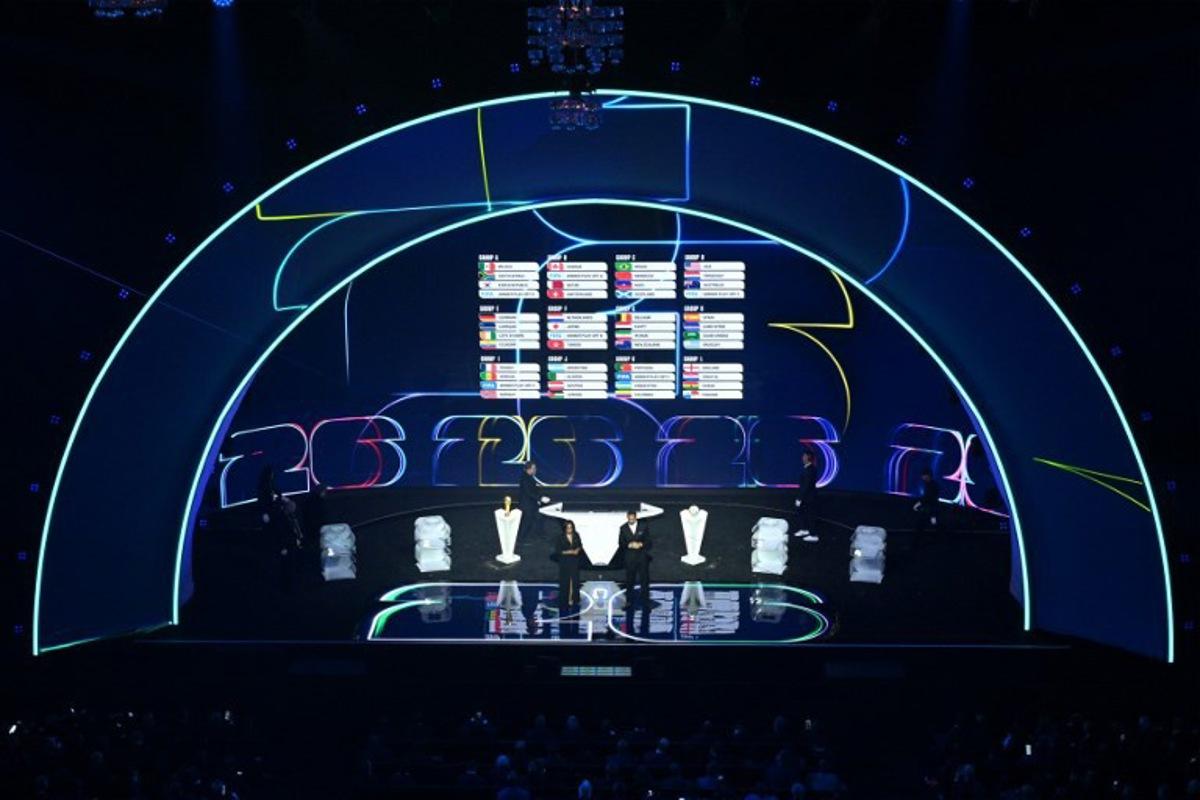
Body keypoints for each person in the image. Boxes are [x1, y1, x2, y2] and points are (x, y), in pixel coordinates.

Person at [619, 510, 652, 609]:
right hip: (630, 558)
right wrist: (629, 545)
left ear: (636, 517)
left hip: (642, 557)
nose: (631, 520)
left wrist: (640, 544)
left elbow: (649, 542)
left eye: (633, 519)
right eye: (629, 519)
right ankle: (629, 601)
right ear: (627, 517)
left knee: (644, 580)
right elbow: (621, 543)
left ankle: (645, 602)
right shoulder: (623, 528)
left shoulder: (643, 526)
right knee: (629, 581)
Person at [555, 520, 583, 611]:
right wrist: (570, 552)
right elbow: (558, 551)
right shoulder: (560, 538)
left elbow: (579, 545)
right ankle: (565, 599)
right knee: (565, 580)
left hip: (574, 561)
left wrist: (577, 550)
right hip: (565, 561)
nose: (569, 529)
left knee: (574, 580)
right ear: (565, 528)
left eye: (571, 527)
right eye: (568, 528)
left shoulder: (576, 535)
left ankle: (574, 599)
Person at [517, 461, 547, 545]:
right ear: (529, 469)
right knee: (527, 522)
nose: (535, 470)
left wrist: (538, 499)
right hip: (527, 505)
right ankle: (520, 539)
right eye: (534, 468)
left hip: (531, 503)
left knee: (538, 518)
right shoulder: (525, 479)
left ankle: (540, 535)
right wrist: (540, 498)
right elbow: (529, 492)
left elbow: (533, 490)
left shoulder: (529, 477)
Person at [793, 450, 819, 541]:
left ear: (808, 457)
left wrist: (799, 498)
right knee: (801, 512)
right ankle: (804, 529)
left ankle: (813, 535)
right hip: (806, 496)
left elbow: (806, 486)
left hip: (809, 497)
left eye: (804, 456)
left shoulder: (811, 469)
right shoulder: (808, 468)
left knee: (810, 515)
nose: (802, 458)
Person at [914, 468, 940, 536]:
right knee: (931, 523)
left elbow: (928, 497)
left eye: (923, 476)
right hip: (931, 509)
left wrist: (918, 504)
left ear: (927, 476)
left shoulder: (932, 485)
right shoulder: (929, 484)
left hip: (931, 509)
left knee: (931, 523)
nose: (922, 477)